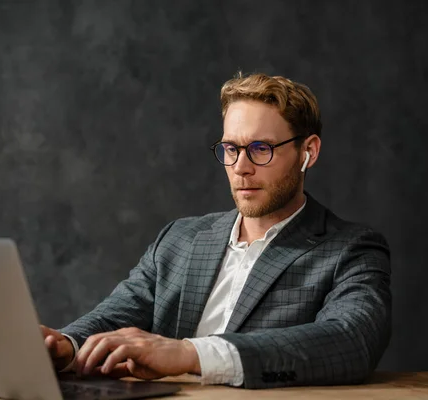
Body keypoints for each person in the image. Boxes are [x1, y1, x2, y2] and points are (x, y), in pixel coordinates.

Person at [41, 72, 392, 389]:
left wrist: (188, 354)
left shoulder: (351, 249)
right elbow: (117, 314)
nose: (240, 168)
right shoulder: (178, 239)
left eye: (261, 149)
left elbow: (351, 340)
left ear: (308, 152)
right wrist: (66, 346)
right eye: (230, 149)